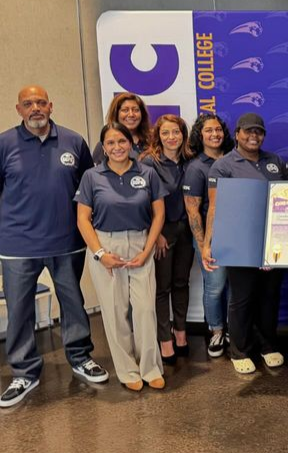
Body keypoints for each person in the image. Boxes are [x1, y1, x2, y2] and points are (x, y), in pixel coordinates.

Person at [0, 85, 108, 408]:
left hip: (66, 242)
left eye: (41, 102)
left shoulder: (74, 141)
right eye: (28, 103)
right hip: (18, 245)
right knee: (20, 311)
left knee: (73, 303)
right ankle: (24, 371)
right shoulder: (4, 144)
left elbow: (88, 188)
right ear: (19, 109)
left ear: (51, 105)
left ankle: (80, 357)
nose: (35, 108)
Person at [75, 122, 166, 391]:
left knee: (146, 309)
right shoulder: (92, 176)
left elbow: (158, 214)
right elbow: (83, 219)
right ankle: (128, 371)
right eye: (111, 143)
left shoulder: (147, 173)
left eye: (122, 141)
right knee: (115, 313)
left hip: (141, 242)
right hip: (106, 244)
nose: (117, 147)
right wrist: (100, 253)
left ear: (130, 144)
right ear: (104, 148)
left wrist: (147, 251)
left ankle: (150, 368)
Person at [202, 113, 286, 374]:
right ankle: (239, 349)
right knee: (242, 297)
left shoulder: (274, 162)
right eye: (248, 131)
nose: (254, 136)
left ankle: (267, 346)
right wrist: (207, 244)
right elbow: (214, 207)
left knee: (269, 296)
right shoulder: (224, 165)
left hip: (273, 242)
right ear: (237, 134)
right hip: (240, 242)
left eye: (259, 132)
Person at [140, 115, 194, 364]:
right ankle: (165, 339)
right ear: (158, 136)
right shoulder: (150, 163)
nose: (172, 137)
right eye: (166, 133)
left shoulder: (189, 161)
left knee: (181, 283)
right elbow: (144, 202)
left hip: (186, 231)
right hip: (163, 231)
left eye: (176, 132)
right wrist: (157, 233)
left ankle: (180, 332)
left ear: (183, 134)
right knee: (163, 287)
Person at [184, 114, 234, 358]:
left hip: (238, 235)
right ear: (199, 135)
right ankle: (216, 330)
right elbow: (193, 209)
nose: (215, 134)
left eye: (218, 130)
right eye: (209, 131)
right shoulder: (196, 167)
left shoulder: (235, 159)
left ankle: (235, 329)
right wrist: (203, 244)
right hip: (210, 238)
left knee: (237, 286)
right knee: (215, 287)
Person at [92, 92, 152, 164]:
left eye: (135, 110)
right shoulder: (106, 144)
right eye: (125, 110)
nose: (131, 114)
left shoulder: (153, 141)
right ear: (116, 114)